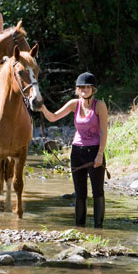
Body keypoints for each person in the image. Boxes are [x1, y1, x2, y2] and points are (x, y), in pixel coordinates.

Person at [39, 72, 108, 228]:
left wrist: (100, 154)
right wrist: (42, 107)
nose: (84, 89)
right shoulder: (74, 104)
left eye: (87, 87)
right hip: (77, 151)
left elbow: (103, 131)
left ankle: (98, 228)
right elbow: (52, 117)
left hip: (95, 151)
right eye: (82, 87)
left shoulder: (100, 105)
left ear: (93, 89)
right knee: (80, 192)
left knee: (97, 191)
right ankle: (80, 227)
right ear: (78, 89)